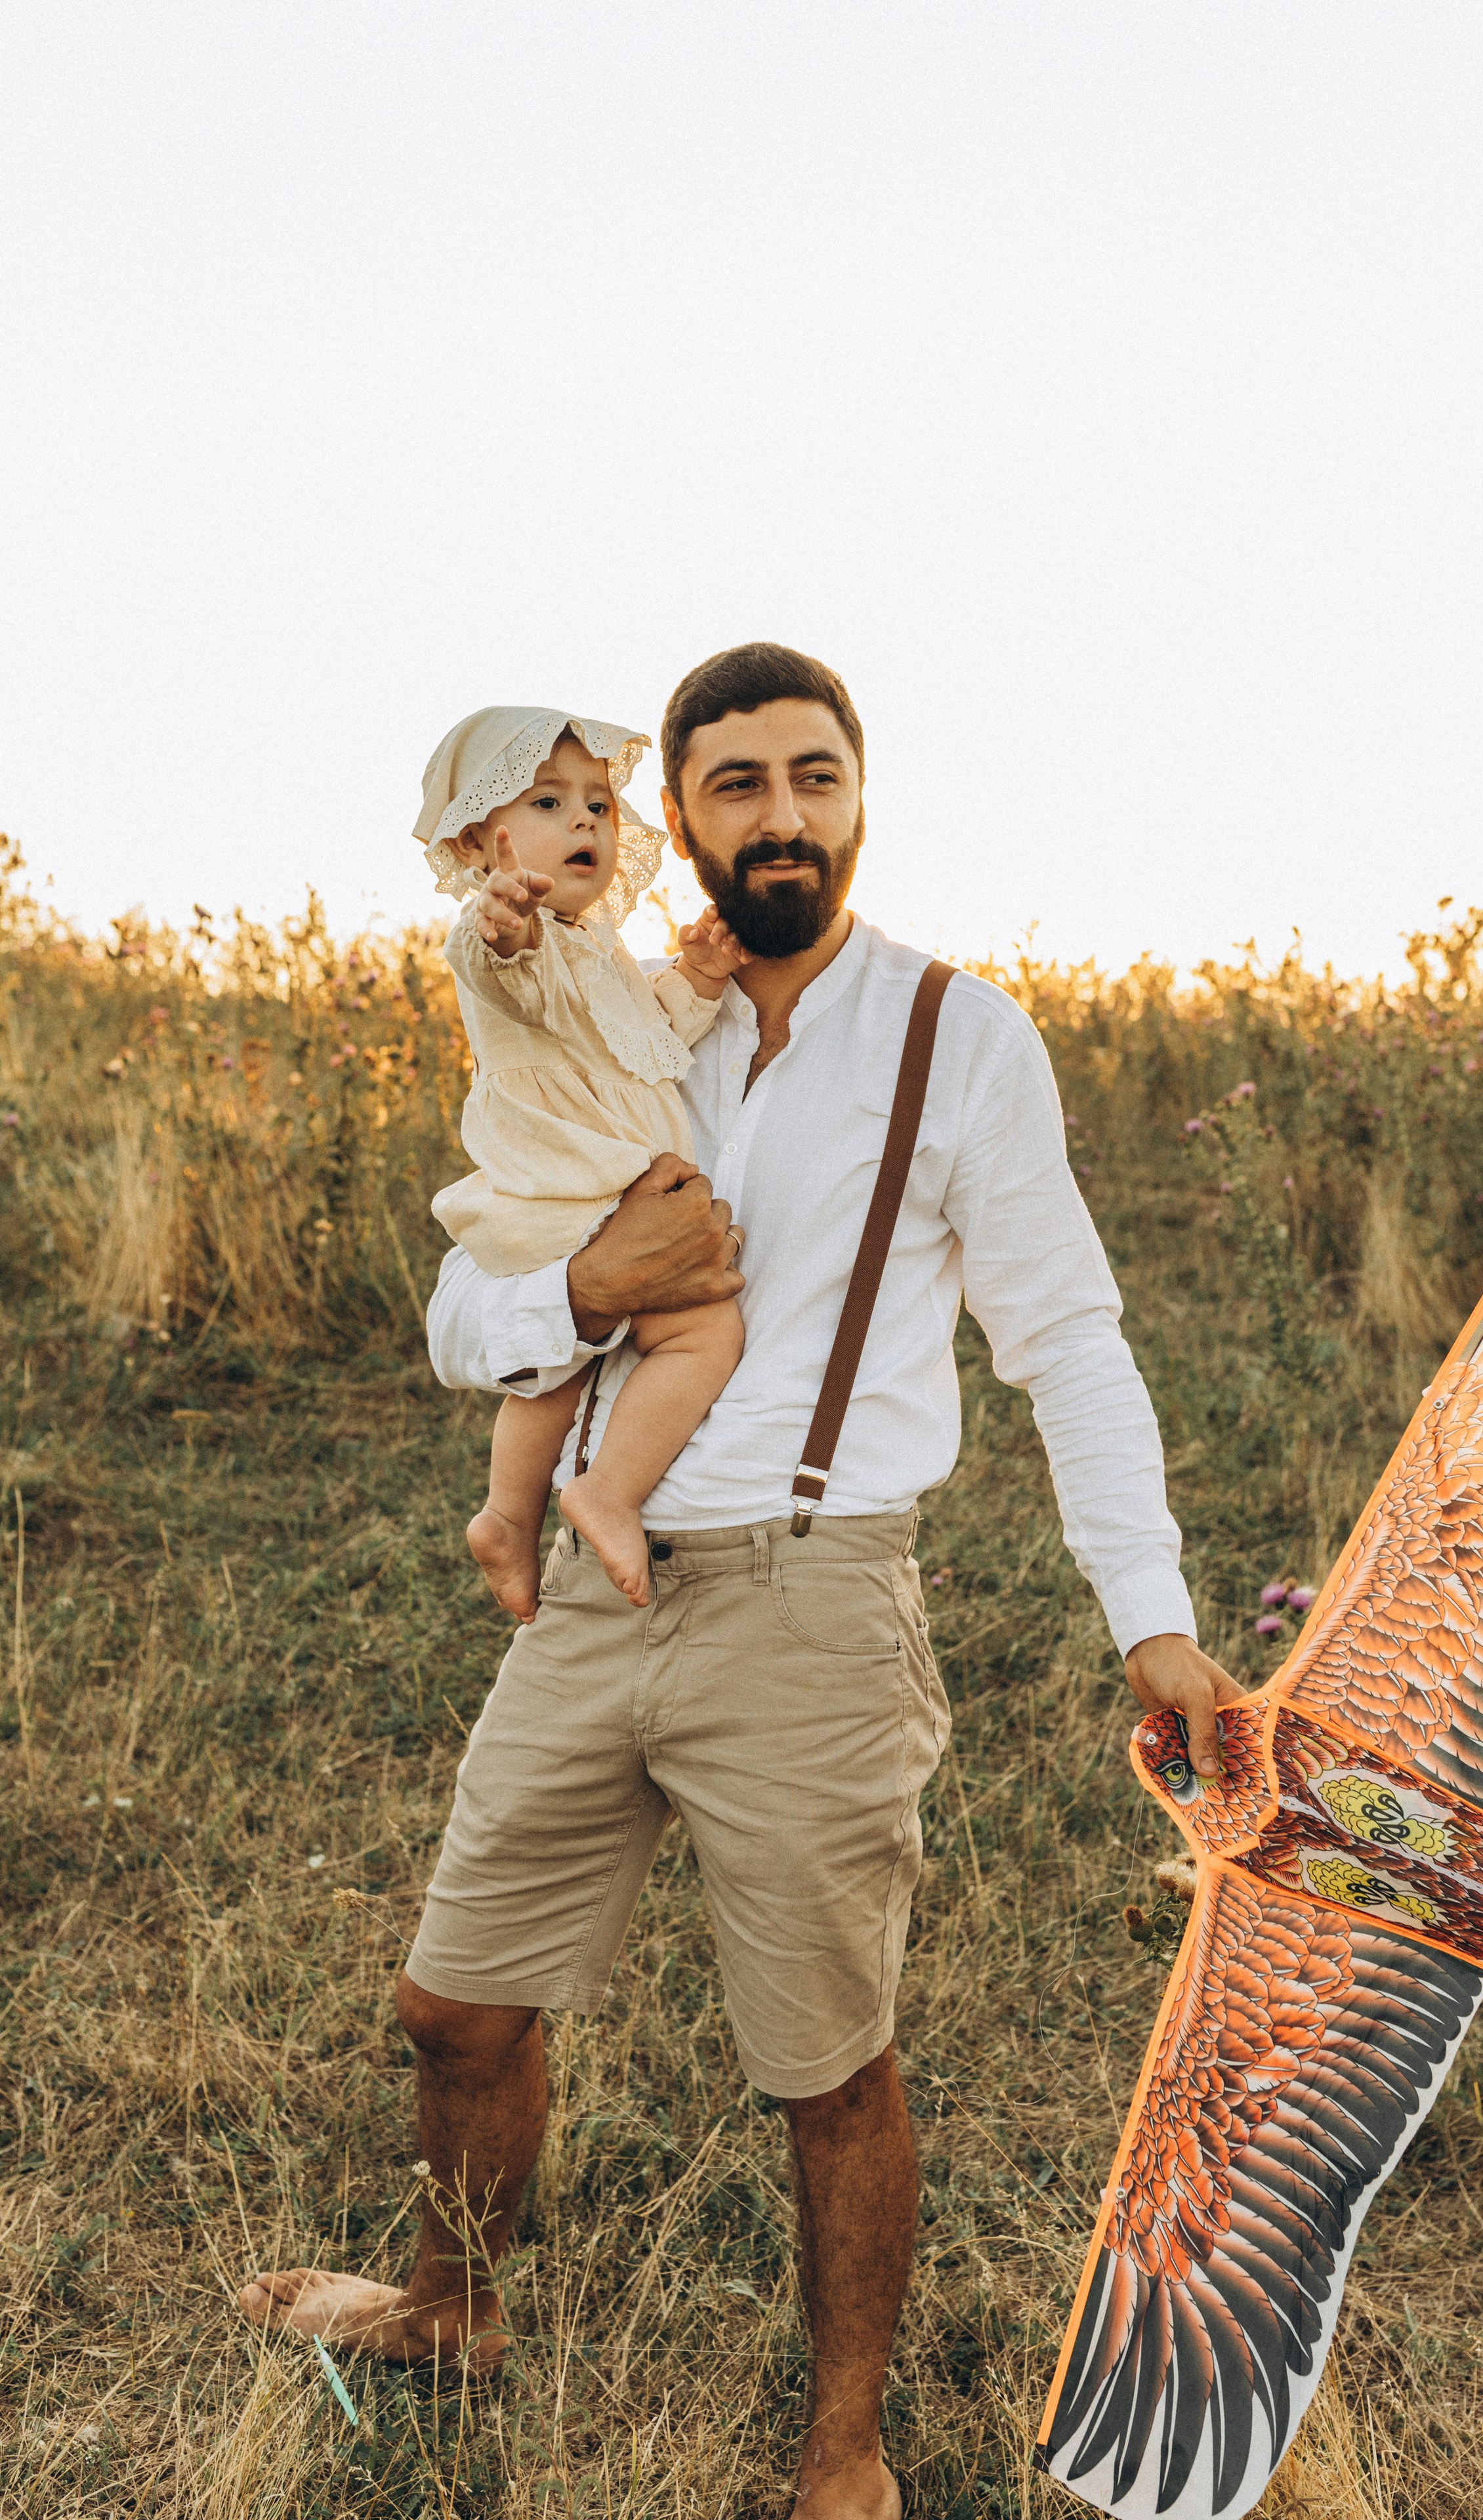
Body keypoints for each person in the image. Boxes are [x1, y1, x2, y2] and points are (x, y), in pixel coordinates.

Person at [236, 644, 1243, 2520]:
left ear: (860, 795)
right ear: (676, 822)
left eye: (815, 777)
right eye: (736, 786)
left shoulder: (961, 1036)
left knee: (824, 2065)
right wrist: (581, 1299)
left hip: (815, 1598)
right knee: (457, 2007)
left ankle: (842, 2444)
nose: (782, 815)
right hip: (598, 1597)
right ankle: (456, 2310)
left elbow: (1074, 1341)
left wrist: (1154, 1615)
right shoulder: (627, 1023)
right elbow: (473, 1306)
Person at [416, 707, 749, 1614]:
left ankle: (506, 1516)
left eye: (599, 806)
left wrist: (701, 978)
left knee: (566, 1367)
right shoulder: (502, 934)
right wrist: (504, 921)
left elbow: (649, 1039)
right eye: (550, 803)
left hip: (600, 1188)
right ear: (486, 841)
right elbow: (498, 967)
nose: (585, 825)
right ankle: (603, 1491)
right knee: (701, 1331)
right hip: (570, 1184)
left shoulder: (601, 946)